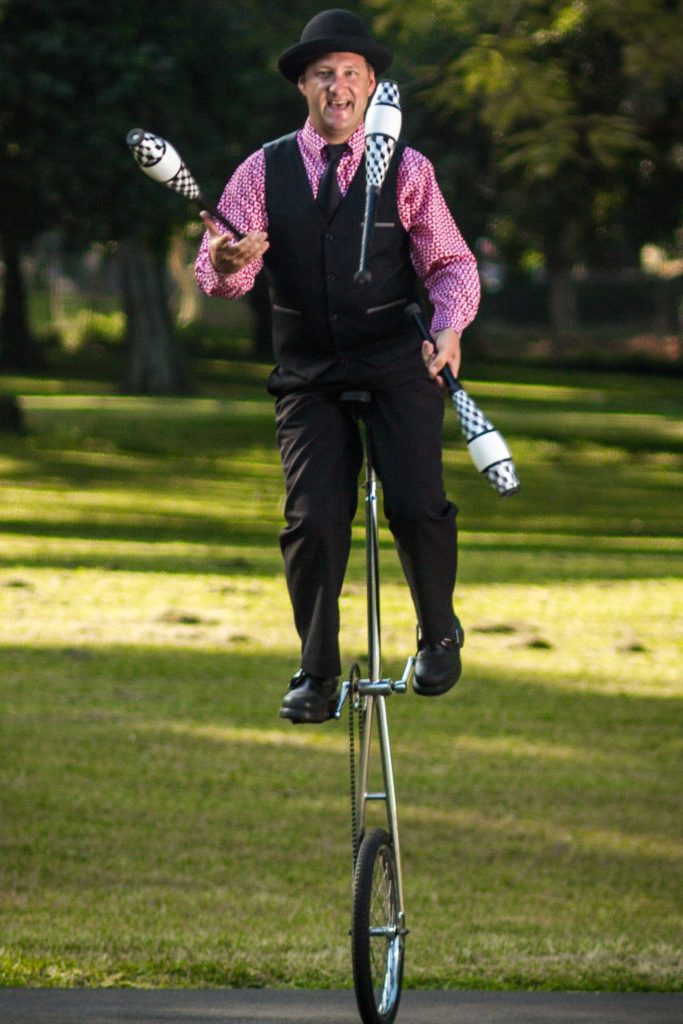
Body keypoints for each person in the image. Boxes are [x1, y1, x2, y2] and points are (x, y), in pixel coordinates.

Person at [195, 9, 480, 724]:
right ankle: (315, 672)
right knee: (314, 519)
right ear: (304, 86)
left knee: (417, 502)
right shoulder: (262, 170)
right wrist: (227, 264)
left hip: (395, 360)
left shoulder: (408, 168)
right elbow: (219, 266)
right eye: (324, 73)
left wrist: (449, 328)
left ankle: (439, 634)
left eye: (352, 73)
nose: (338, 86)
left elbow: (448, 264)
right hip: (308, 373)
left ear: (372, 86)